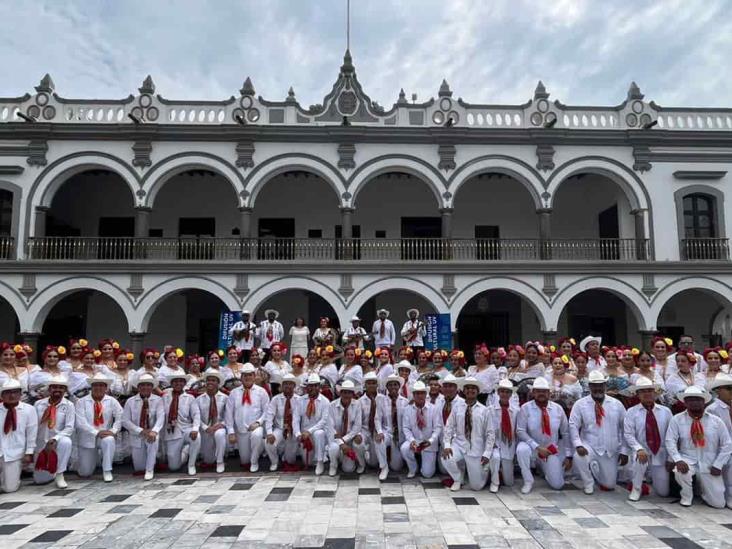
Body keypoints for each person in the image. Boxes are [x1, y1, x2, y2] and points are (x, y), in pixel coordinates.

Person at [665, 386, 732, 508]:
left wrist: (718, 464)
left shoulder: (716, 421)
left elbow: (727, 444)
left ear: (704, 401)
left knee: (718, 504)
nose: (694, 402)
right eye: (690, 399)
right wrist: (677, 459)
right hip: (688, 459)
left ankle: (702, 491)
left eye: (698, 399)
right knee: (680, 471)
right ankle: (686, 496)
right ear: (685, 402)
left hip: (709, 462)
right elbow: (670, 441)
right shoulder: (677, 419)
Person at [569, 370, 628, 494]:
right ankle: (588, 483)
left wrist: (624, 450)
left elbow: (625, 429)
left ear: (605, 386)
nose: (598, 388)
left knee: (609, 485)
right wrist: (578, 445)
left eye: (600, 385)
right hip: (589, 446)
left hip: (610, 450)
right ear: (590, 386)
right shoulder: (580, 404)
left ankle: (596, 470)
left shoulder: (617, 404)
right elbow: (573, 425)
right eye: (594, 385)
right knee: (579, 456)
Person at [516, 377, 572, 493]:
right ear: (533, 392)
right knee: (521, 449)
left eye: (544, 391)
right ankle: (528, 480)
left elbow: (565, 432)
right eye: (538, 391)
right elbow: (520, 431)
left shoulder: (558, 409)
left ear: (549, 393)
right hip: (533, 449)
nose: (541, 394)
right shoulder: (525, 408)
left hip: (550, 451)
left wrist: (568, 455)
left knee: (557, 485)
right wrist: (536, 447)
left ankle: (545, 470)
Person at [441, 377, 495, 491]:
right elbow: (449, 426)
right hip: (459, 444)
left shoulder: (484, 410)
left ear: (478, 391)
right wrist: (447, 445)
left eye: (473, 388)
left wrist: (487, 453)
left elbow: (490, 433)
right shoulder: (457, 408)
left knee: (476, 486)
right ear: (464, 391)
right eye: (467, 388)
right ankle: (457, 479)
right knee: (446, 457)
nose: (470, 390)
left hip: (476, 448)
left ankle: (486, 472)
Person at [623, 377, 672, 501]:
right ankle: (637, 487)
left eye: (650, 390)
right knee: (640, 458)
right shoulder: (631, 412)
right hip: (641, 450)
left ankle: (654, 481)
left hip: (660, 452)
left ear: (655, 392)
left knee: (663, 492)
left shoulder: (666, 411)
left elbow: (672, 435)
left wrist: (671, 457)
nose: (647, 394)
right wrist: (638, 448)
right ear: (638, 394)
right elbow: (628, 434)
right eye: (643, 391)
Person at [75, 372, 122, 482]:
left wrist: (113, 430)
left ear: (106, 388)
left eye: (101, 385)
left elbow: (120, 417)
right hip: (87, 437)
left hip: (105, 436)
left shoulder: (112, 401)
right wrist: (96, 432)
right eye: (95, 385)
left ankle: (107, 470)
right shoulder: (81, 402)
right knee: (85, 473)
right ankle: (91, 461)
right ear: (91, 387)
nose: (98, 388)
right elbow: (80, 422)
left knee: (109, 440)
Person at [226, 363, 269, 472]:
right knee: (244, 460)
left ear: (254, 376)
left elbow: (267, 411)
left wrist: (258, 423)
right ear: (241, 377)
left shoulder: (261, 392)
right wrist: (231, 432)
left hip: (256, 427)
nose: (247, 377)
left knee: (257, 435)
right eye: (245, 375)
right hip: (241, 431)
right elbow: (229, 413)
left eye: (250, 375)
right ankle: (258, 450)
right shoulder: (234, 393)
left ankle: (255, 461)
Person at [33, 375, 74, 488]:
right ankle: (52, 471)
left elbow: (69, 427)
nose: (57, 390)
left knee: (66, 442)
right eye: (54, 387)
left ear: (65, 390)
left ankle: (60, 474)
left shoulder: (69, 405)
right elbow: (33, 426)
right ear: (49, 389)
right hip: (41, 444)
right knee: (40, 480)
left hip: (57, 441)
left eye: (61, 387)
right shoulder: (39, 404)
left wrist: (55, 438)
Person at [122, 373, 164, 481]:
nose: (145, 387)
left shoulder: (158, 400)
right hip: (137, 435)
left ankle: (150, 470)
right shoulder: (130, 402)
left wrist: (154, 431)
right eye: (143, 385)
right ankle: (154, 459)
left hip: (151, 433)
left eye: (148, 385)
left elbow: (160, 418)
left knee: (154, 440)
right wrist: (140, 430)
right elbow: (125, 421)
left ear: (152, 387)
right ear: (138, 387)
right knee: (139, 467)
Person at [0, 380, 37, 493]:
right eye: (7, 392)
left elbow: (32, 432)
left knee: (9, 488)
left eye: (15, 392)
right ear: (2, 395)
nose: (12, 395)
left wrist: (29, 452)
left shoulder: (29, 409)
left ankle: (9, 479)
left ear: (21, 394)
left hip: (15, 453)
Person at [162, 372, 201, 476]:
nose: (178, 383)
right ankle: (185, 451)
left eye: (181, 381)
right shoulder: (165, 397)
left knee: (197, 437)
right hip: (172, 431)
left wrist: (195, 428)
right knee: (173, 467)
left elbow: (196, 414)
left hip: (186, 429)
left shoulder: (190, 398)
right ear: (171, 383)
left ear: (184, 383)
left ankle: (191, 465)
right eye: (175, 381)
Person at [401, 380, 441, 478]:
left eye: (422, 393)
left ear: (426, 394)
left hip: (429, 443)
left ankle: (424, 465)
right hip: (415, 440)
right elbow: (406, 428)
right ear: (413, 395)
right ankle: (413, 468)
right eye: (417, 393)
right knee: (404, 448)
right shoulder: (408, 409)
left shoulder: (434, 408)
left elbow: (438, 427)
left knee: (427, 474)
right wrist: (412, 440)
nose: (420, 396)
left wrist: (431, 440)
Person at [294, 373, 330, 475]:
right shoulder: (300, 400)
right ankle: (314, 457)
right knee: (308, 462)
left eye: (315, 385)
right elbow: (295, 419)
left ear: (319, 387)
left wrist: (309, 431)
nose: (313, 388)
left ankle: (320, 461)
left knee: (319, 433)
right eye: (310, 385)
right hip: (304, 436)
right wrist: (298, 434)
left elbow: (323, 421)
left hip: (317, 433)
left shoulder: (325, 401)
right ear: (307, 387)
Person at [357, 371, 390, 480]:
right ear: (365, 385)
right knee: (357, 443)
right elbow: (359, 421)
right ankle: (362, 464)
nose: (371, 385)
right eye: (369, 383)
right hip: (366, 430)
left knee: (379, 441)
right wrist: (358, 434)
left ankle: (384, 467)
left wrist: (381, 432)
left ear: (377, 384)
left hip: (381, 429)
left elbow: (386, 419)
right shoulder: (360, 401)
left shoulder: (383, 399)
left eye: (373, 383)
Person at [264, 373, 299, 472]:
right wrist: (269, 432)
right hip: (280, 428)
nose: (288, 386)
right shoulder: (275, 399)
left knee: (290, 460)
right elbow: (269, 416)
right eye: (285, 384)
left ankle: (286, 455)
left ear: (294, 386)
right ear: (282, 386)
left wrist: (298, 433)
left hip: (294, 430)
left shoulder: (299, 400)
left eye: (290, 384)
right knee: (268, 442)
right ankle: (274, 462)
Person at [488, 379, 519, 493]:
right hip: (495, 444)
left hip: (508, 445)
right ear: (498, 393)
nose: (504, 394)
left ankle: (503, 474)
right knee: (495, 458)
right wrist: (491, 445)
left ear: (511, 394)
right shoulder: (490, 410)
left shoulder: (516, 411)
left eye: (507, 392)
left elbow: (517, 430)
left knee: (509, 482)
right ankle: (494, 481)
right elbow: (488, 430)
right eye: (502, 391)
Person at [706, 373, 732, 508]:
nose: (731, 392)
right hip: (718, 451)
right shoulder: (712, 409)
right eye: (728, 388)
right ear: (718, 391)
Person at [327, 379, 363, 476]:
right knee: (334, 448)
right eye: (344, 392)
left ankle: (353, 460)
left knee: (348, 469)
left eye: (349, 393)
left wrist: (344, 440)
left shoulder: (357, 404)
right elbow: (330, 428)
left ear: (353, 394)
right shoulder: (332, 405)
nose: (347, 395)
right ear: (340, 393)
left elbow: (357, 427)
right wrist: (341, 443)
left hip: (349, 438)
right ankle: (333, 465)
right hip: (336, 439)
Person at [196, 369, 228, 474]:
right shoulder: (199, 399)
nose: (210, 382)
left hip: (220, 428)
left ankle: (220, 461)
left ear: (218, 383)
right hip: (205, 430)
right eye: (208, 380)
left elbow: (228, 416)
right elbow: (196, 417)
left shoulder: (225, 398)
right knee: (208, 460)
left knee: (219, 434)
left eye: (213, 380)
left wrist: (221, 424)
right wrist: (205, 427)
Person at [384, 374, 409, 473]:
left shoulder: (405, 402)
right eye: (390, 385)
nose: (393, 387)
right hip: (387, 433)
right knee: (379, 442)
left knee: (396, 467)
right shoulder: (382, 401)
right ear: (387, 387)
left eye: (395, 384)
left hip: (400, 435)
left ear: (399, 386)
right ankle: (383, 465)